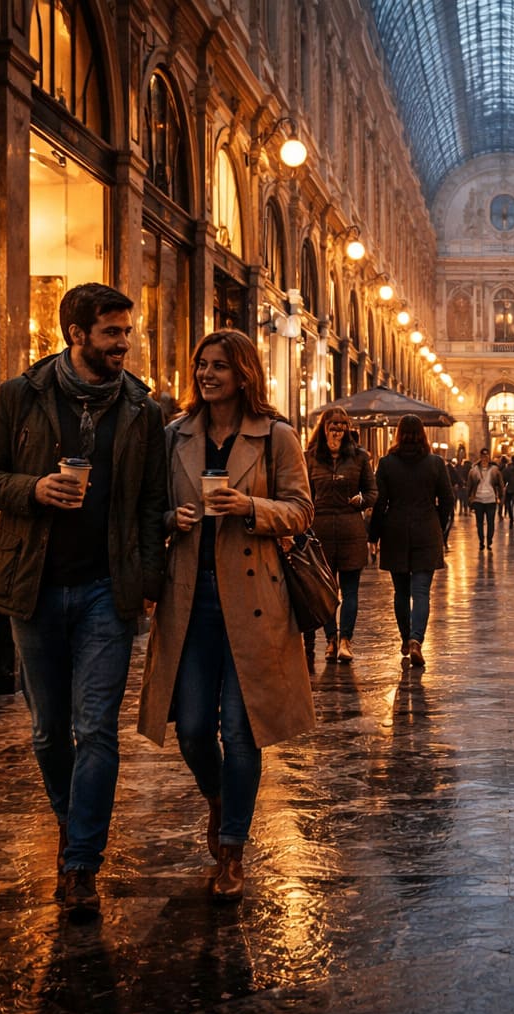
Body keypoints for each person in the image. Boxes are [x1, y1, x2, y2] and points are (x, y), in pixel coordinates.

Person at [0, 282, 168, 917]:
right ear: (76, 335)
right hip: (34, 587)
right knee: (51, 732)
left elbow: (152, 504)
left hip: (108, 591)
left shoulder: (142, 409)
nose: (124, 344)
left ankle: (81, 864)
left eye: (127, 333)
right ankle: (71, 822)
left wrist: (148, 585)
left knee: (96, 729)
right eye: (112, 333)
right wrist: (33, 490)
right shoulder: (19, 396)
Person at [138, 328, 315, 903]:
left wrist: (250, 507)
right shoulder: (173, 436)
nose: (206, 374)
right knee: (190, 728)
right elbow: (151, 510)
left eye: (218, 366)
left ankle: (233, 849)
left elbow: (300, 510)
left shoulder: (276, 437)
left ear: (244, 374)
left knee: (241, 732)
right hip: (189, 601)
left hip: (255, 601)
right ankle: (217, 799)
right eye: (200, 364)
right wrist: (173, 520)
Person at [370, 414, 454, 667]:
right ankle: (417, 639)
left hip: (395, 531)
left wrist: (373, 535)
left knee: (401, 592)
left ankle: (406, 639)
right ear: (423, 434)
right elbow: (448, 501)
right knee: (421, 592)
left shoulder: (386, 464)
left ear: (398, 434)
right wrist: (436, 524)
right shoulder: (436, 463)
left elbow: (379, 503)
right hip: (426, 530)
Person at [304, 407, 376, 664]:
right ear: (324, 428)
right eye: (332, 425)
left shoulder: (359, 457)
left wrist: (360, 501)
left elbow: (372, 491)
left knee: (350, 590)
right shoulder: (310, 457)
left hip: (350, 530)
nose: (337, 430)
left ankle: (346, 640)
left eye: (342, 425)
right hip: (320, 532)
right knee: (326, 591)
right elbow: (303, 495)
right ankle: (331, 640)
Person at [467, 448, 505, 549]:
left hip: (491, 499)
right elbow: (469, 486)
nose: (484, 458)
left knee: (490, 522)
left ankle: (489, 540)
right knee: (479, 523)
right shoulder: (473, 470)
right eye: (483, 456)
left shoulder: (494, 470)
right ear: (480, 457)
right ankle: (481, 541)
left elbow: (501, 484)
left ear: (489, 457)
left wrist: (501, 497)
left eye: (486, 456)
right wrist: (469, 500)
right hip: (478, 499)